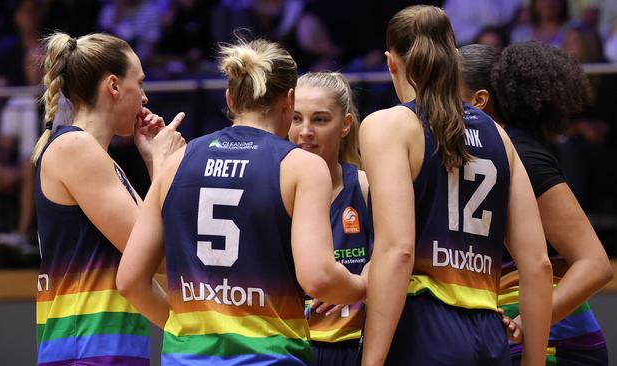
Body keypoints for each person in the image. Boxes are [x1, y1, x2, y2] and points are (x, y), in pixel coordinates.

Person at [116, 38, 367, 365]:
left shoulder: (177, 161)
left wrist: (186, 332)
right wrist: (363, 285)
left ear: (230, 99)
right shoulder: (300, 167)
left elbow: (130, 280)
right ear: (288, 101)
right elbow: (318, 278)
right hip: (270, 357)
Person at [359, 6, 553, 366]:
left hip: (422, 326)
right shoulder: (498, 134)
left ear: (391, 63)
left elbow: (398, 251)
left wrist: (372, 359)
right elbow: (538, 264)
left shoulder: (388, 125)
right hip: (488, 333)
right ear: (455, 58)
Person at [34, 32, 185, 366]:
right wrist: (161, 163)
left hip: (106, 347)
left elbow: (143, 265)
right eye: (140, 83)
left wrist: (192, 329)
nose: (144, 98)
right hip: (85, 349)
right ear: (114, 86)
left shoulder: (100, 158)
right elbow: (155, 257)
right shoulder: (76, 148)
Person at [459, 42, 613, 366]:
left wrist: (531, 322)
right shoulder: (469, 155)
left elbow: (594, 264)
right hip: (498, 336)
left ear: (479, 101)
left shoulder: (522, 154)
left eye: (445, 92)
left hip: (559, 344)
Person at [287, 72, 373, 366]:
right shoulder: (271, 189)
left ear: (346, 125)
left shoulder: (365, 186)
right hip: (289, 349)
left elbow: (397, 252)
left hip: (354, 348)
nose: (306, 131)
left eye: (320, 120)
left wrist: (356, 283)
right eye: (296, 118)